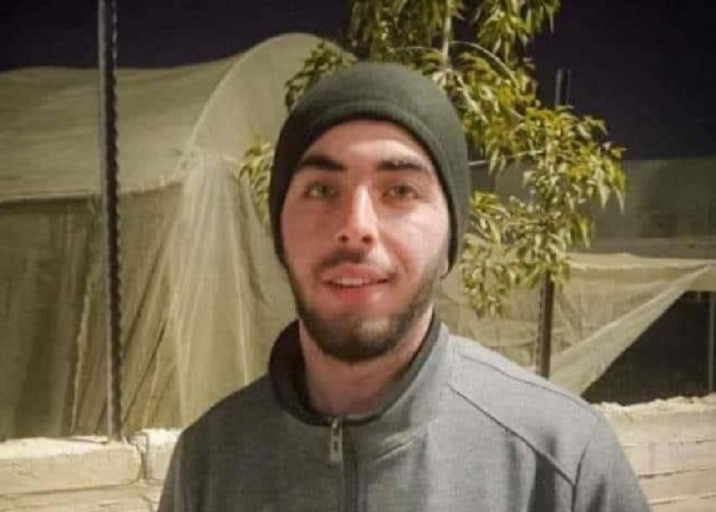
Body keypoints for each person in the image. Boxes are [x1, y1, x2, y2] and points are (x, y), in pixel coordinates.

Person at [158, 62, 650, 511]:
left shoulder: (562, 464)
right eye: (322, 190)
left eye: (400, 191)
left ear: (451, 239)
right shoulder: (208, 465)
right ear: (280, 234)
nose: (356, 226)